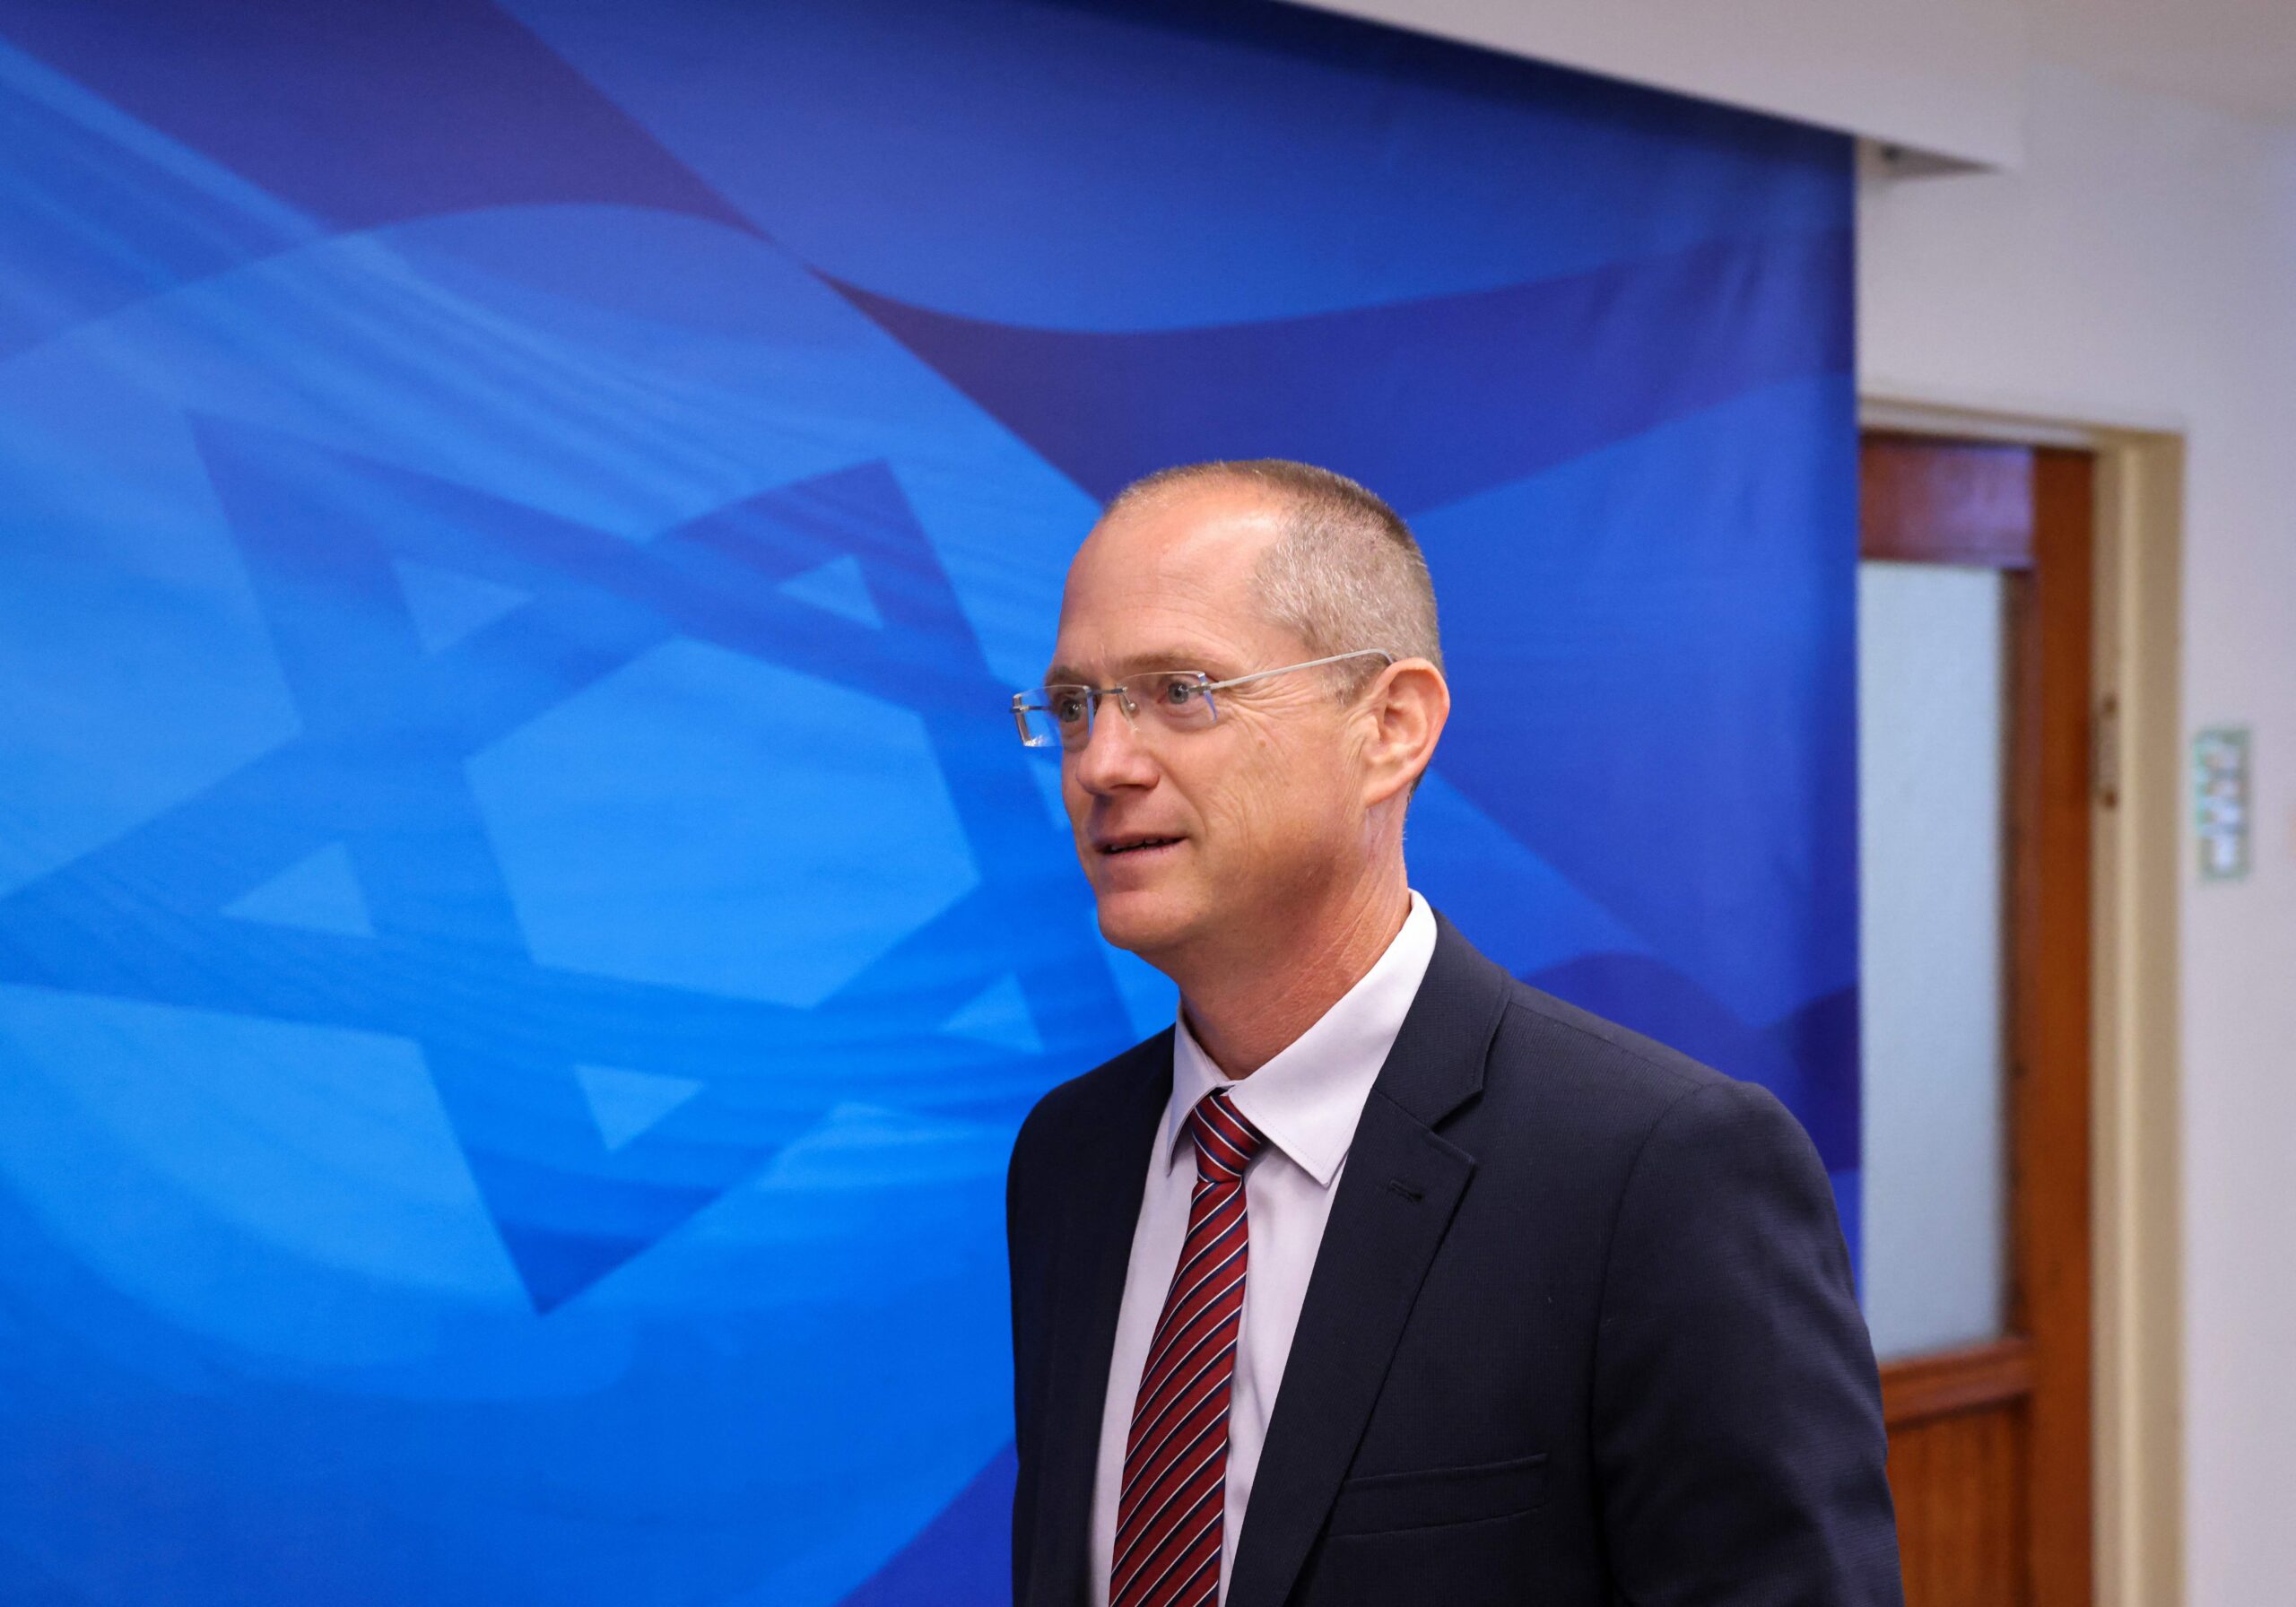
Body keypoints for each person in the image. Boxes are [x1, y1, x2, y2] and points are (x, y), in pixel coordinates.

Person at [1003, 459, 1901, 1607]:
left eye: (1180, 691)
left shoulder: (1655, 1169)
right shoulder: (1071, 1156)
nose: (1103, 765)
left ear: (1390, 726)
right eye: (1075, 705)